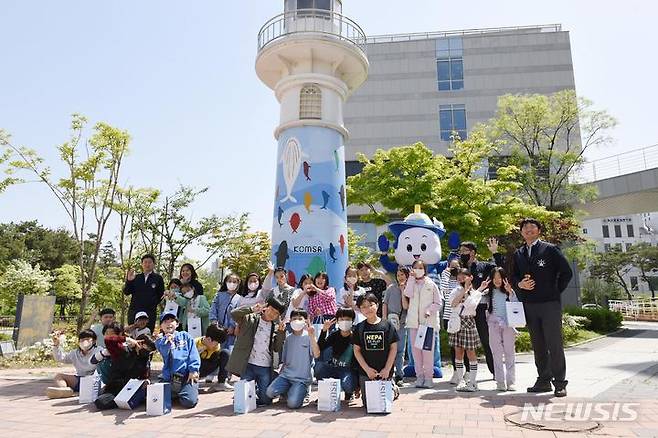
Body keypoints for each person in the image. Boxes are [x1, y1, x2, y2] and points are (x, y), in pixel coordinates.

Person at [512, 218, 573, 397]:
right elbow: (513, 276)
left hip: (549, 304)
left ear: (538, 230)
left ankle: (560, 383)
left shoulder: (550, 249)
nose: (528, 230)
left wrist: (554, 291)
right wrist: (520, 284)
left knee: (554, 344)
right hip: (530, 305)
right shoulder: (519, 253)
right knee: (538, 344)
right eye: (525, 228)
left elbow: (566, 272)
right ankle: (543, 380)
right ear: (521, 232)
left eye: (532, 227)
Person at [226, 297, 287, 406]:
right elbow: (234, 314)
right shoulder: (250, 318)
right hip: (248, 365)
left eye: (276, 313)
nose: (273, 314)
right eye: (272, 309)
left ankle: (255, 391)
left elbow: (277, 348)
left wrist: (281, 333)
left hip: (265, 366)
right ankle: (247, 393)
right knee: (241, 399)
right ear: (266, 306)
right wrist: (251, 309)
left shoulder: (276, 327)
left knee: (265, 400)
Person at [458, 239, 504, 377]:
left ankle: (496, 372)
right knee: (465, 342)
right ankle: (468, 373)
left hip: (481, 308)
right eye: (461, 252)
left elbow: (500, 269)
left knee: (487, 340)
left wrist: (495, 252)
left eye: (464, 251)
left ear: (472, 252)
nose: (462, 254)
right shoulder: (461, 269)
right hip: (465, 310)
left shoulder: (484, 267)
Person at [351, 294, 399, 410]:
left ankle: (393, 387)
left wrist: (387, 369)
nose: (368, 309)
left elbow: (394, 348)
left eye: (371, 305)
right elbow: (356, 351)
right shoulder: (359, 327)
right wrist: (367, 369)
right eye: (364, 307)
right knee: (369, 404)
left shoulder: (387, 325)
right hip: (366, 373)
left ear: (377, 305)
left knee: (383, 402)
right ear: (360, 309)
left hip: (384, 371)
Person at [266, 309, 320, 408]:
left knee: (293, 404)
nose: (297, 321)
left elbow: (316, 354)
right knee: (270, 392)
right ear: (290, 321)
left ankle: (303, 392)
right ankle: (289, 391)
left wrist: (312, 337)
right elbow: (285, 360)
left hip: (302, 379)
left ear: (305, 321)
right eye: (294, 319)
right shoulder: (288, 338)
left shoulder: (309, 337)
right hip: (286, 376)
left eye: (300, 319)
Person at [449, 268, 489, 392]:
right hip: (457, 322)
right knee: (458, 352)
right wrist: (464, 291)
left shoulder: (476, 293)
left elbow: (470, 305)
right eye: (459, 277)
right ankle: (460, 381)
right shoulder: (456, 290)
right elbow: (453, 303)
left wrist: (468, 292)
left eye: (463, 276)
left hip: (469, 322)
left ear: (470, 277)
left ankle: (472, 382)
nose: (460, 279)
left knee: (471, 353)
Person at [404, 261, 442, 389]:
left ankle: (428, 378)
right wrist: (410, 278)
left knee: (427, 352)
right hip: (414, 323)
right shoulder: (411, 283)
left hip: (427, 323)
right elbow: (407, 294)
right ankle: (419, 376)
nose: (418, 270)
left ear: (425, 270)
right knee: (416, 352)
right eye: (415, 267)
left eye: (420, 268)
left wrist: (429, 310)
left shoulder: (431, 284)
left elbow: (438, 303)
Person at [92, 334, 155, 410]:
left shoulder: (144, 359)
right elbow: (108, 339)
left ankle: (127, 401)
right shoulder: (122, 350)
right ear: (140, 343)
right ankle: (120, 401)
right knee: (101, 402)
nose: (148, 352)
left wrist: (146, 381)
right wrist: (127, 339)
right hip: (115, 389)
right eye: (147, 348)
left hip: (131, 390)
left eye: (150, 351)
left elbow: (143, 376)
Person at [155, 312, 201, 408]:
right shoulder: (160, 341)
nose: (169, 323)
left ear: (177, 324)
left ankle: (184, 391)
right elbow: (164, 352)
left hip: (186, 376)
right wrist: (167, 341)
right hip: (169, 378)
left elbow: (193, 353)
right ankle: (176, 393)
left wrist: (193, 370)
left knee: (189, 402)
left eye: (172, 321)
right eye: (165, 321)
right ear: (161, 326)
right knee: (155, 398)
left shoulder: (185, 336)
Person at [315, 307, 359, 401]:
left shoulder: (356, 335)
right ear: (337, 321)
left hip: (349, 370)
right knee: (319, 367)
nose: (344, 322)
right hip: (334, 368)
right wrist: (324, 331)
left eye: (347, 319)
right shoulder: (334, 335)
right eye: (341, 319)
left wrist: (358, 384)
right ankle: (326, 391)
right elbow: (320, 347)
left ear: (352, 321)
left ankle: (349, 392)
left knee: (348, 385)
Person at [487, 267, 519, 391]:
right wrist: (480, 288)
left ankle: (511, 382)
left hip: (508, 325)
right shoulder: (488, 293)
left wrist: (510, 292)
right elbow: (475, 300)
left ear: (504, 278)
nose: (497, 280)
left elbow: (516, 305)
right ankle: (500, 382)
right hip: (493, 324)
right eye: (494, 278)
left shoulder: (509, 292)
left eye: (499, 277)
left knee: (510, 352)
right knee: (497, 354)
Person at [45, 329, 102, 399]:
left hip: (94, 381)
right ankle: (64, 390)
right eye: (82, 340)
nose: (84, 342)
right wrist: (56, 345)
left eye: (87, 339)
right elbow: (61, 358)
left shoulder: (99, 351)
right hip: (80, 379)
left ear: (94, 341)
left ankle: (73, 391)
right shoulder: (75, 353)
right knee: (59, 376)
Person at [440, 259, 469, 384]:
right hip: (449, 317)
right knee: (453, 346)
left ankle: (468, 371)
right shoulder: (447, 279)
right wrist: (446, 273)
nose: (454, 269)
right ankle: (456, 372)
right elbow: (444, 292)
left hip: (463, 316)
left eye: (456, 267)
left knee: (466, 345)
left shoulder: (463, 281)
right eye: (451, 267)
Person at [382, 266, 410, 386]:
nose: (400, 277)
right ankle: (388, 373)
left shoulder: (409, 289)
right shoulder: (390, 288)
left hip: (402, 323)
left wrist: (403, 291)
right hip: (389, 322)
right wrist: (384, 318)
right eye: (398, 275)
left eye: (402, 275)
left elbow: (405, 307)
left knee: (400, 350)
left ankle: (399, 374)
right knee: (388, 350)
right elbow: (385, 304)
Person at [124, 254, 165, 332]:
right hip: (134, 311)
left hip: (150, 312)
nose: (147, 264)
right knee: (133, 335)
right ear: (142, 264)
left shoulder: (158, 278)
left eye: (150, 262)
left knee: (147, 336)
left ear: (154, 264)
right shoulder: (136, 277)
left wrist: (152, 303)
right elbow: (126, 292)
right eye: (145, 262)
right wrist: (129, 281)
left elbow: (161, 295)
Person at [209, 273, 242, 354]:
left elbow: (238, 313)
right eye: (230, 281)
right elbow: (213, 308)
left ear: (238, 284)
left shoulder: (240, 298)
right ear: (226, 282)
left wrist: (232, 326)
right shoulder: (219, 295)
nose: (232, 283)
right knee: (215, 352)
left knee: (228, 354)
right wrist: (214, 321)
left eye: (234, 282)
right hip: (218, 329)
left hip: (230, 333)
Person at [196, 324, 232, 392]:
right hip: (195, 369)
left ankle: (221, 383)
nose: (217, 345)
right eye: (216, 343)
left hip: (207, 368)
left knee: (225, 353)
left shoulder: (216, 347)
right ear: (209, 339)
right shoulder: (194, 343)